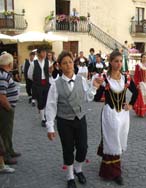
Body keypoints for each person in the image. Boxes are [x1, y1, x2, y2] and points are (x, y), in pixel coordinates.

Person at [46, 51, 103, 188]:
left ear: (74, 63)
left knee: (83, 147)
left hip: (80, 118)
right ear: (59, 66)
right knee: (68, 148)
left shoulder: (81, 80)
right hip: (64, 120)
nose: (68, 65)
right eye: (64, 63)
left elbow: (88, 98)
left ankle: (78, 168)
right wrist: (50, 127)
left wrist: (94, 86)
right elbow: (51, 106)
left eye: (70, 62)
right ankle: (70, 175)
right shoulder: (56, 84)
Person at [97, 51, 138, 185]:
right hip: (110, 113)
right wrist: (97, 86)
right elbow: (97, 98)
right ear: (110, 62)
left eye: (120, 61)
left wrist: (131, 104)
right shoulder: (105, 78)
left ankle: (109, 162)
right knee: (112, 140)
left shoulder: (125, 77)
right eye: (116, 61)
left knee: (119, 138)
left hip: (123, 114)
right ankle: (115, 173)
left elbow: (136, 91)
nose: (119, 64)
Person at [0, 53, 21, 165]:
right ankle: (6, 155)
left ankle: (10, 150)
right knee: (5, 132)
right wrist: (9, 108)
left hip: (7, 108)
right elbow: (2, 96)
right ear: (9, 63)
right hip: (5, 109)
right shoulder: (3, 75)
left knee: (8, 131)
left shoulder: (5, 74)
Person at [28, 47, 50, 127]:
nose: (45, 54)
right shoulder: (34, 63)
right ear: (39, 53)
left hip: (46, 84)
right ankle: (43, 119)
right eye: (43, 52)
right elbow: (29, 75)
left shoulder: (47, 62)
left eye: (45, 52)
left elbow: (49, 72)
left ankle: (45, 114)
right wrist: (36, 80)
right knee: (40, 101)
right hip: (38, 85)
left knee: (46, 100)